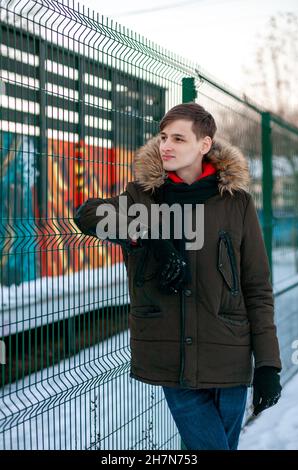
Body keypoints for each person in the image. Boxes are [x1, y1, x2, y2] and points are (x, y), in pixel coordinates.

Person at [74, 103, 282, 450]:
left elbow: (257, 288)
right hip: (172, 357)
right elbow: (87, 214)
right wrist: (150, 234)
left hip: (229, 355)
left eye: (178, 138)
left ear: (204, 145)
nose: (166, 146)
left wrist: (268, 365)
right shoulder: (143, 197)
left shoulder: (236, 203)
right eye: (163, 137)